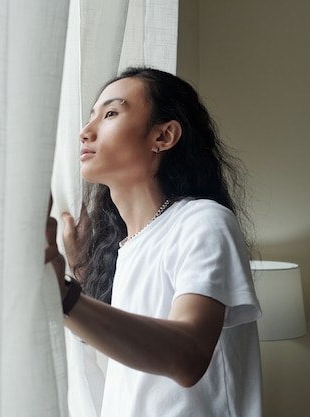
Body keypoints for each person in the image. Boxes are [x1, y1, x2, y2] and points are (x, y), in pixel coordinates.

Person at [45, 67, 262, 417]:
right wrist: (82, 275)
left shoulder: (203, 222)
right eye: (91, 118)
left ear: (163, 136)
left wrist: (65, 295)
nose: (86, 132)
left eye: (111, 113)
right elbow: (127, 358)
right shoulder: (127, 246)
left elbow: (188, 357)